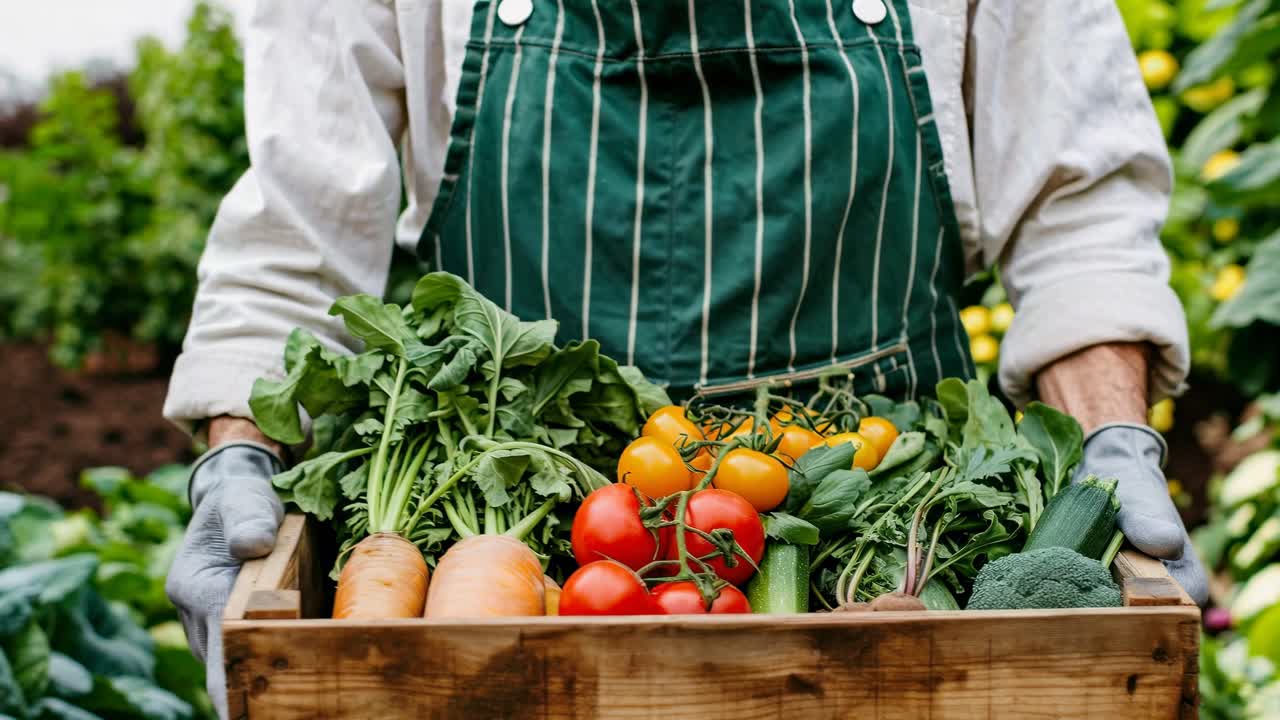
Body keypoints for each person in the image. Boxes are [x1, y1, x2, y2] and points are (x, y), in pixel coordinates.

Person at [163, 0, 1208, 715]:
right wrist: (237, 456)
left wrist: (1111, 437)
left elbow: (1077, 218)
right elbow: (295, 241)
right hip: (521, 575)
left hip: (870, 520)